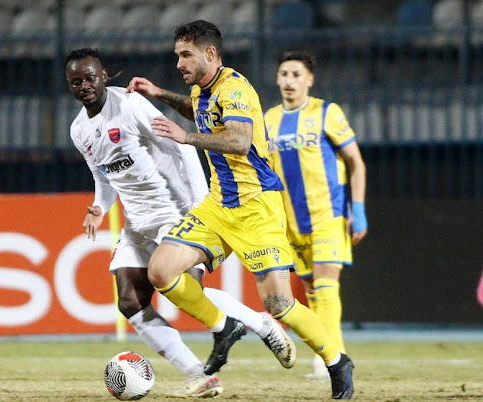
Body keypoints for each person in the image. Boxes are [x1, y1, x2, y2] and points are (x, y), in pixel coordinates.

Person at [127, 20, 354, 399]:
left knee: (279, 304)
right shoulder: (203, 89)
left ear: (210, 53)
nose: (179, 63)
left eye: (186, 55)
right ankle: (225, 326)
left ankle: (336, 361)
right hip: (219, 204)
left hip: (256, 206)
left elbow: (239, 140)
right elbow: (198, 109)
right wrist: (159, 93)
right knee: (161, 271)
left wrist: (187, 138)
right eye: (177, 55)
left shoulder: (234, 88)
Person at [65, 47, 295, 399]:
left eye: (90, 78)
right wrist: (98, 207)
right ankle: (200, 375)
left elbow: (185, 148)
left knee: (184, 289)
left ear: (104, 76)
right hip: (137, 222)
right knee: (129, 301)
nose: (84, 86)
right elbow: (104, 177)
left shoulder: (130, 105)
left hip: (174, 212)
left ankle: (261, 325)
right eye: (76, 81)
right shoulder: (79, 129)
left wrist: (201, 207)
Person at [263, 50, 367, 381]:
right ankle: (330, 354)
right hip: (292, 220)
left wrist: (358, 209)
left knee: (325, 282)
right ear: (277, 78)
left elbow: (355, 162)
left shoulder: (326, 112)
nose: (289, 80)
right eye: (284, 74)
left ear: (309, 80)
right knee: (310, 288)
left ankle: (332, 359)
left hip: (328, 213)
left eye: (296, 74)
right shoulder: (269, 120)